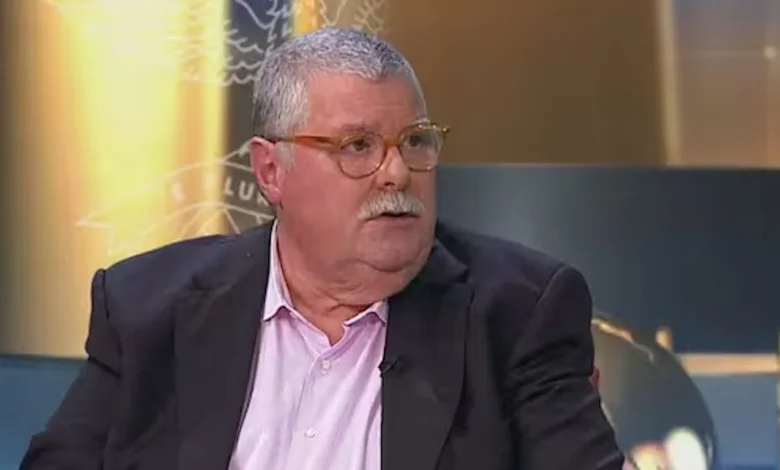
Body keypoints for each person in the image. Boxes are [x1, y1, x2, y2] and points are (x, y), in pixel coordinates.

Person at [20, 27, 624, 470]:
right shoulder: (149, 307)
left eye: (414, 142)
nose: (397, 173)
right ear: (270, 170)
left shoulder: (517, 314)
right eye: (358, 147)